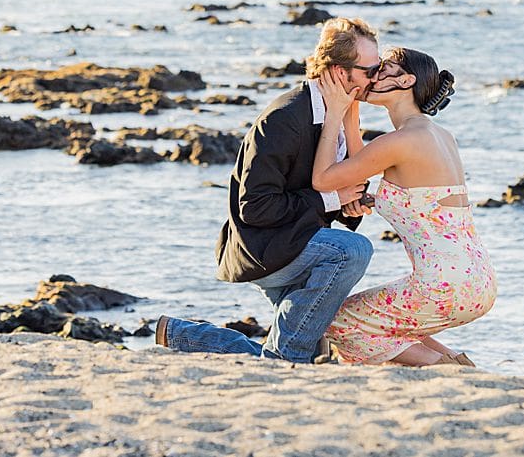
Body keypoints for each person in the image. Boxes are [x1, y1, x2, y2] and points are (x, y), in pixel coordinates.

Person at [154, 18, 380, 363]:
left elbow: (335, 185)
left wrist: (345, 206)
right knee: (351, 251)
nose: (376, 78)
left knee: (303, 353)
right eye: (370, 70)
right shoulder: (285, 118)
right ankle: (280, 360)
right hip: (263, 246)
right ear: (338, 71)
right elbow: (255, 207)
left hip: (299, 238)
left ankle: (180, 335)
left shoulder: (340, 114)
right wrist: (332, 199)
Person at [311, 47, 496, 366]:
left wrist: (334, 116)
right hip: (478, 282)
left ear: (406, 79)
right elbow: (424, 201)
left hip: (442, 285)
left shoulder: (400, 141)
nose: (373, 74)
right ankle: (456, 363)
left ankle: (445, 369)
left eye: (383, 68)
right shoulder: (439, 135)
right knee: (382, 325)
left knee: (336, 323)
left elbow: (324, 180)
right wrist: (351, 112)